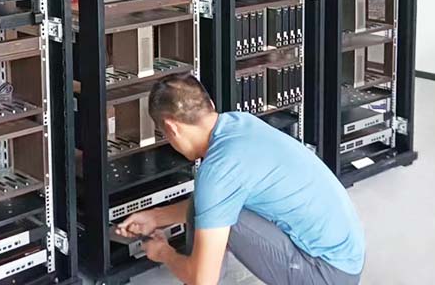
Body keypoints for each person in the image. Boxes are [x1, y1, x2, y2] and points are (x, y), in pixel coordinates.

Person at [115, 74, 364, 285]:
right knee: (209, 205)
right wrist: (156, 217)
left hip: (325, 273)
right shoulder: (239, 123)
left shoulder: (218, 169)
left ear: (172, 128)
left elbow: (203, 281)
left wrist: (164, 253)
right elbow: (212, 205)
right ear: (210, 105)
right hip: (345, 257)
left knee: (214, 216)